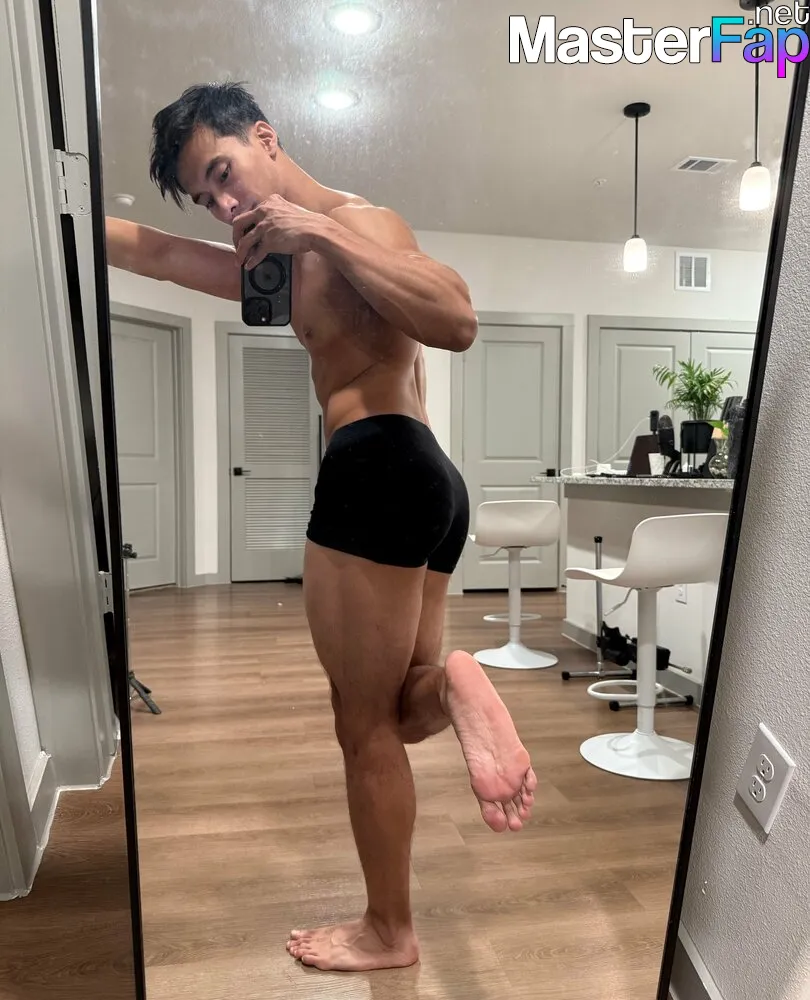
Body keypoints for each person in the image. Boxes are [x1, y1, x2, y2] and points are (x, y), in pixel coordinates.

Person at [105, 81, 537, 973]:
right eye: (207, 197)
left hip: (376, 467)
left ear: (265, 137)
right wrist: (51, 210)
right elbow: (162, 257)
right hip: (425, 479)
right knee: (401, 708)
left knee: (361, 726)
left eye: (223, 173)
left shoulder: (357, 223)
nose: (224, 205)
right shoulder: (277, 257)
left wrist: (321, 231)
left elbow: (457, 320)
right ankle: (457, 686)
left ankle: (390, 931)